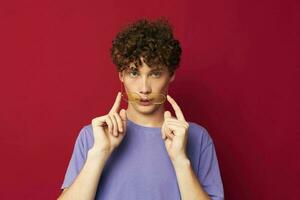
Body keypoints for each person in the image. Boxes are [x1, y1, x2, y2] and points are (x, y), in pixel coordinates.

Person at [57, 17, 224, 200]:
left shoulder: (197, 138)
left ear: (171, 75)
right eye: (134, 73)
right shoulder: (93, 136)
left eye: (155, 73)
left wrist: (181, 161)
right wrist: (99, 154)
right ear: (121, 75)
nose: (144, 88)